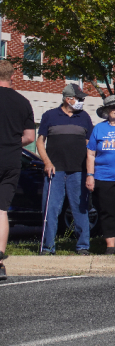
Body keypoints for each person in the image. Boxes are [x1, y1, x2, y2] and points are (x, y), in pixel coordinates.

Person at [37, 83, 93, 255]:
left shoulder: (84, 117)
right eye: (79, 98)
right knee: (51, 209)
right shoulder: (50, 116)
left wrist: (91, 170)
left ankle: (83, 246)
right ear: (69, 99)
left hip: (78, 171)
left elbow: (89, 145)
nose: (81, 101)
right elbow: (40, 142)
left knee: (80, 208)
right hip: (55, 171)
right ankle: (48, 247)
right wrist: (47, 162)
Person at [0, 60, 36, 280]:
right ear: (12, 77)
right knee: (1, 210)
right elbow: (30, 137)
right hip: (10, 160)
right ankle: (0, 262)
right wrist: (12, 144)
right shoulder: (23, 102)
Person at [86, 95, 115, 255]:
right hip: (103, 178)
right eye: (113, 107)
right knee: (107, 212)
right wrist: (90, 175)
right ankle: (110, 247)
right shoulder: (99, 128)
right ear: (106, 110)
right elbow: (91, 154)